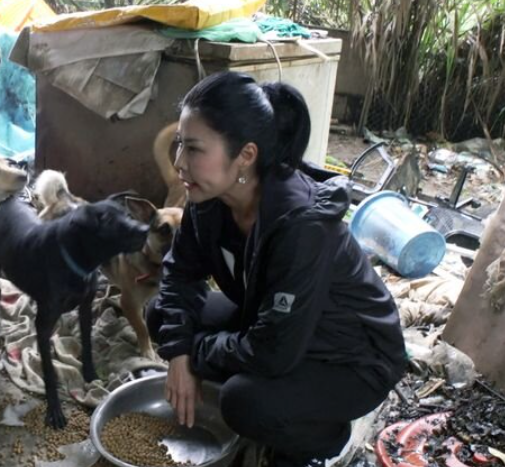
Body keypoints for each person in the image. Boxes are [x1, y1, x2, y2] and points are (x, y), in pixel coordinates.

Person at [147, 71, 407, 467]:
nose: (179, 162)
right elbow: (180, 274)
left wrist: (192, 353)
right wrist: (180, 354)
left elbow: (272, 352)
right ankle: (268, 403)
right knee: (160, 316)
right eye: (180, 144)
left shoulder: (300, 226)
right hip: (278, 326)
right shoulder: (207, 199)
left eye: (194, 149)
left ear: (246, 155)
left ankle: (318, 435)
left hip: (352, 358)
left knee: (243, 401)